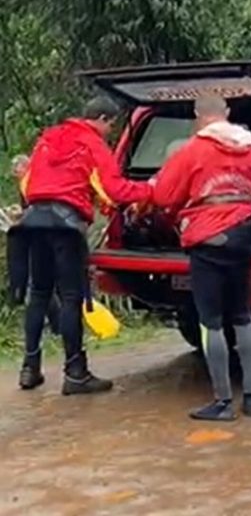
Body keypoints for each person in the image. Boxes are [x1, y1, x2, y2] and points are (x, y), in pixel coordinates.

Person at [9, 97, 152, 394]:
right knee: (72, 297)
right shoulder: (93, 144)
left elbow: (28, 183)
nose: (110, 132)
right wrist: (151, 189)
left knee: (38, 294)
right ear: (101, 118)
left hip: (34, 222)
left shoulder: (48, 138)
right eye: (111, 125)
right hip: (66, 226)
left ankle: (29, 369)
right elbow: (114, 190)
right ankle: (76, 373)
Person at [152, 94, 251, 421]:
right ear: (227, 113)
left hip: (207, 238)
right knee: (243, 316)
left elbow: (163, 195)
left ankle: (222, 402)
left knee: (211, 322)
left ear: (198, 116)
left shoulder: (192, 149)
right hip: (244, 235)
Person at [11, 154, 60, 336]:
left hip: (43, 234)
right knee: (39, 284)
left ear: (25, 167)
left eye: (18, 170)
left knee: (40, 284)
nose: (16, 175)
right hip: (33, 234)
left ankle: (56, 324)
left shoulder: (33, 181)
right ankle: (53, 324)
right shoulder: (24, 184)